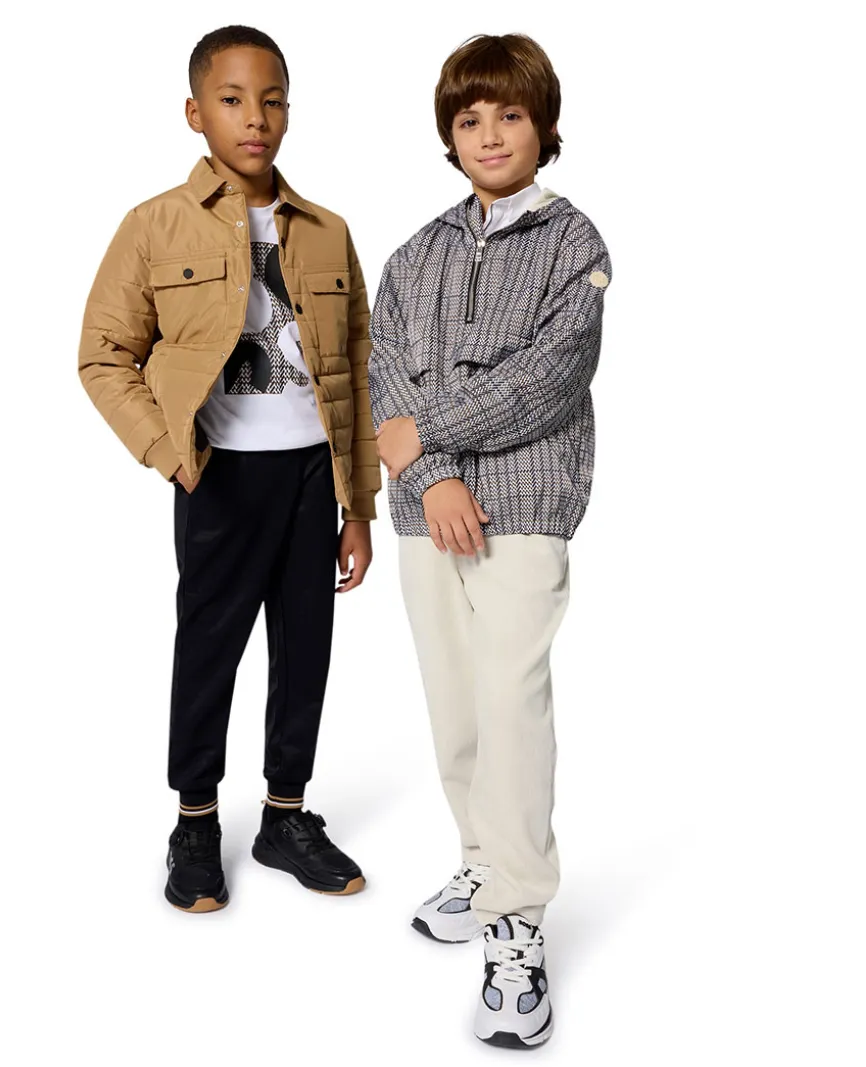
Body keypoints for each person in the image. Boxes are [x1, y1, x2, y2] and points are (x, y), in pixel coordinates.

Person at [78, 25, 380, 913]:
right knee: (208, 650)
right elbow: (103, 355)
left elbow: (360, 371)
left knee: (306, 650)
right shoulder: (154, 225)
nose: (256, 118)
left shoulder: (327, 232)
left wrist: (357, 505)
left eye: (272, 100)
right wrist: (171, 453)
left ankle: (284, 815)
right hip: (220, 477)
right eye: (233, 99)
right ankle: (196, 821)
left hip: (311, 476)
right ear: (194, 112)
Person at [368, 32, 611, 1048]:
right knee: (456, 703)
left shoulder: (572, 242)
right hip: (428, 514)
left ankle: (517, 920)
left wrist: (428, 437)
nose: (490, 134)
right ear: (450, 135)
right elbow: (386, 376)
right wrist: (431, 477)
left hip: (524, 507)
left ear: (543, 126)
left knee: (512, 707)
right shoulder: (413, 252)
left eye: (510, 114)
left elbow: (547, 379)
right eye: (470, 119)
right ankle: (480, 859)